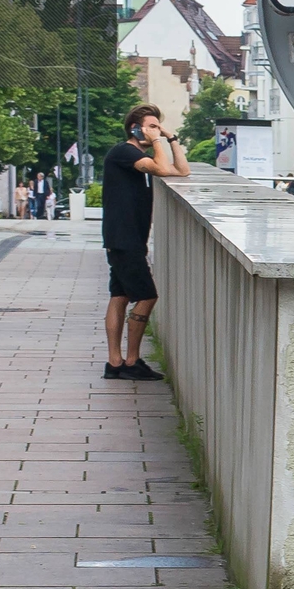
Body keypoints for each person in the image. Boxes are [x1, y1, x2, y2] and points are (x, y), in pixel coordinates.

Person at [102, 104, 189, 383]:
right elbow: (164, 170)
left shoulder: (136, 155)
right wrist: (157, 141)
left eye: (157, 126)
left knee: (120, 296)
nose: (156, 131)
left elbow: (182, 171)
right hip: (125, 239)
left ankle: (115, 363)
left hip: (126, 238)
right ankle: (131, 360)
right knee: (147, 296)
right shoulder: (124, 152)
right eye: (151, 126)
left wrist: (171, 138)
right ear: (134, 128)